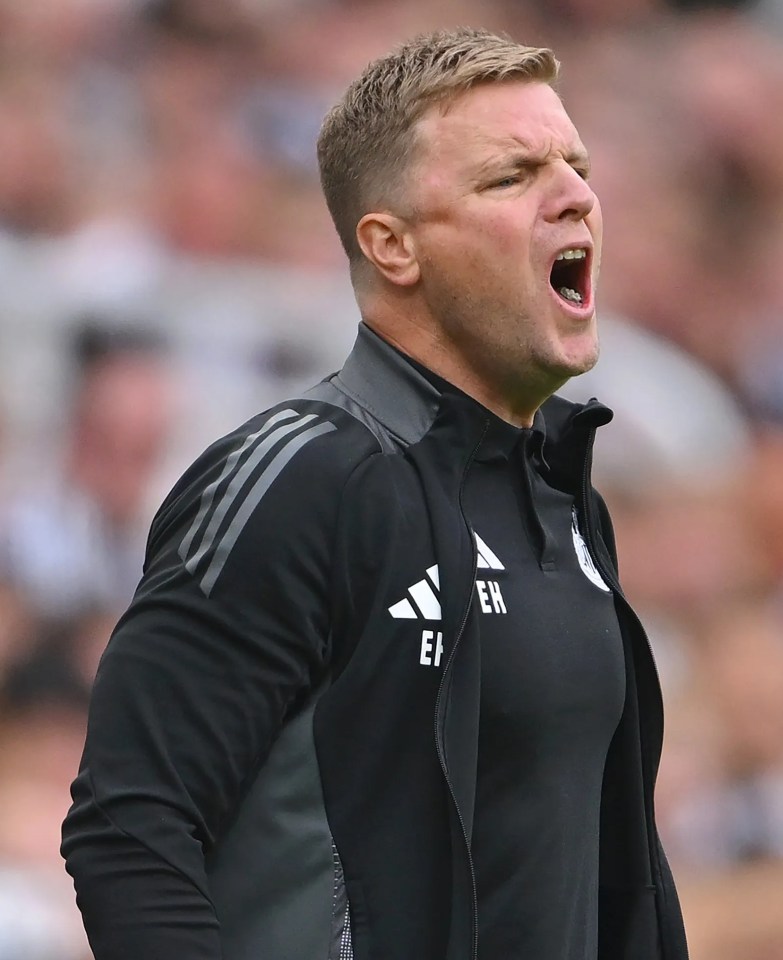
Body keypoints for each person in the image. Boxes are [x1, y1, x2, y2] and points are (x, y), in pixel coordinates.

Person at [61, 28, 689, 960]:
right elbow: (132, 826)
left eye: (576, 164)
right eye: (512, 176)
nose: (576, 195)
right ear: (391, 246)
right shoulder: (302, 477)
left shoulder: (565, 500)